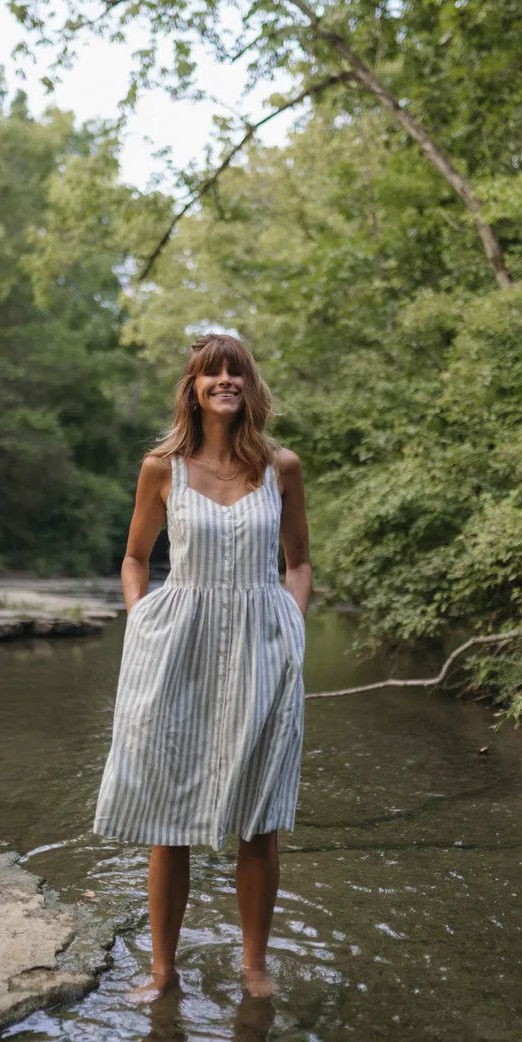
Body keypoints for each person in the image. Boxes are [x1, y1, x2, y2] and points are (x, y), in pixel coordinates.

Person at [93, 333, 311, 999]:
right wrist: (141, 620)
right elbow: (135, 557)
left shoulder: (282, 467)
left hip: (262, 649)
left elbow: (298, 563)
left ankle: (252, 968)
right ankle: (163, 971)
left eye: (236, 371)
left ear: (251, 385)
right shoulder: (163, 467)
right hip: (178, 649)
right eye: (211, 372)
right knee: (169, 816)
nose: (224, 380)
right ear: (193, 387)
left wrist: (292, 628)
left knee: (259, 817)